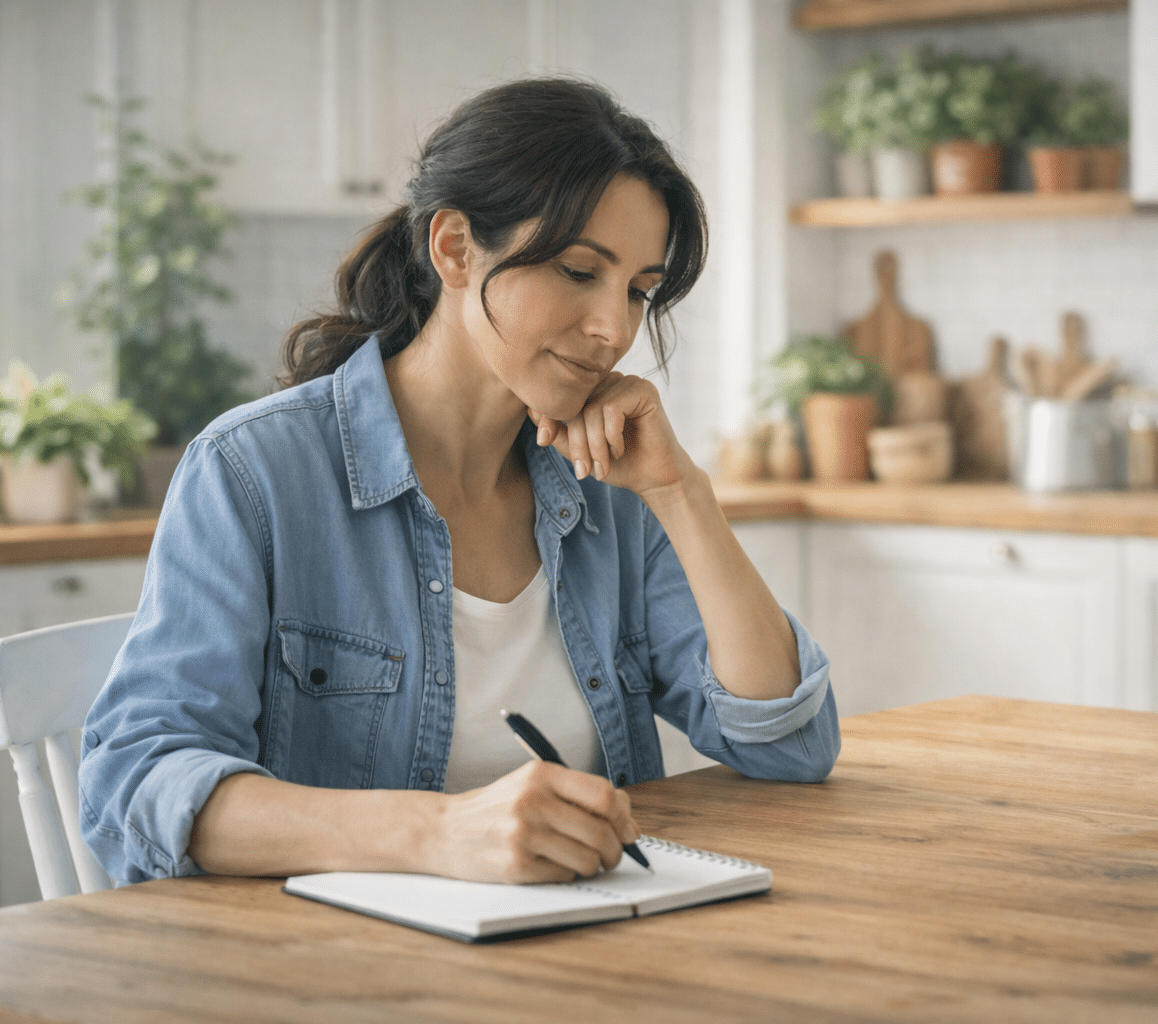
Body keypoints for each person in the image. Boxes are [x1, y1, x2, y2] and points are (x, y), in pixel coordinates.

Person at [79, 78, 840, 888]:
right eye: (581, 271)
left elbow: (789, 744)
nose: (614, 329)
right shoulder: (253, 473)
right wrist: (434, 832)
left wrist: (680, 493)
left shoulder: (612, 488)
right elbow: (138, 781)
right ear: (453, 249)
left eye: (638, 292)